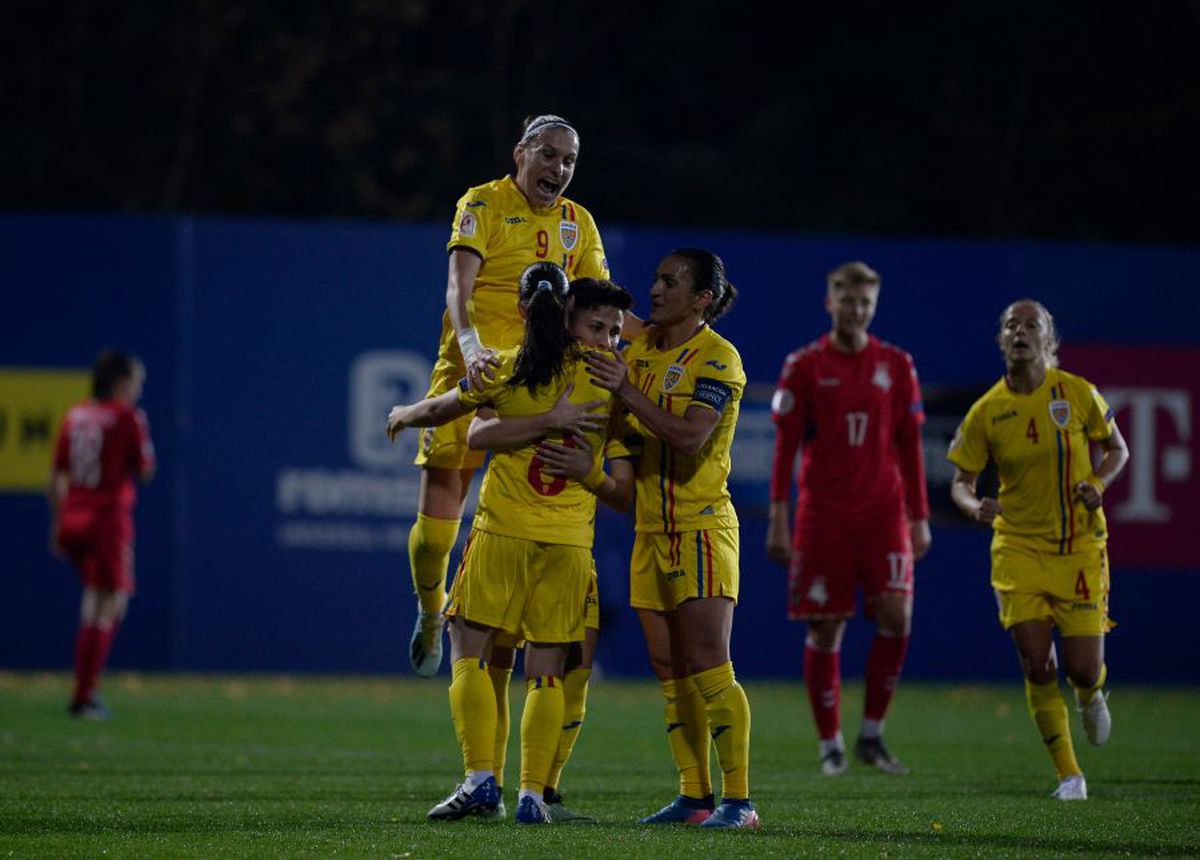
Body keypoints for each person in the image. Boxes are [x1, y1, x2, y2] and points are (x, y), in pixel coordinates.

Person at [388, 264, 634, 824]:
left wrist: (404, 415)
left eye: (614, 332)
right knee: (547, 672)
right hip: (569, 545)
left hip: (502, 533)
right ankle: (531, 795)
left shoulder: (509, 364)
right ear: (574, 318)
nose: (612, 340)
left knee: (469, 650)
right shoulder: (616, 387)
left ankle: (479, 780)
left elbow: (457, 418)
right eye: (606, 328)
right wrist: (588, 468)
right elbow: (623, 494)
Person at [407, 113, 610, 680]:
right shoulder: (483, 204)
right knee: (436, 535)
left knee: (528, 521)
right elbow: (458, 286)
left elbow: (598, 304)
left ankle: (510, 650)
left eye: (569, 160)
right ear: (521, 151)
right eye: (549, 154)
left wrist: (661, 339)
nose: (559, 168)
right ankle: (429, 610)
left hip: (534, 385)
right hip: (471, 372)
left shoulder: (579, 224)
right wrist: (470, 346)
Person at [584, 248, 758, 829]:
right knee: (670, 669)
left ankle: (740, 801)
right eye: (657, 278)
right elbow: (626, 434)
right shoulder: (641, 351)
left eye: (669, 282)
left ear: (702, 298)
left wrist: (627, 391)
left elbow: (689, 438)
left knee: (710, 665)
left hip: (702, 528)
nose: (655, 290)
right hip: (649, 532)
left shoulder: (718, 359)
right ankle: (695, 797)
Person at [948, 299, 1129, 801]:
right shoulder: (987, 410)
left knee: (1082, 668)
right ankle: (1070, 775)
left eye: (1032, 325)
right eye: (1011, 324)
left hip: (1078, 547)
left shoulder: (1076, 393)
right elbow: (960, 482)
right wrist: (972, 505)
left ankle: (1092, 694)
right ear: (1001, 339)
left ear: (1049, 341)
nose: (1020, 331)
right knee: (1036, 663)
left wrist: (1098, 481)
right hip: (1018, 548)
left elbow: (1118, 449)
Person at [765, 261, 931, 776]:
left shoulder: (897, 364)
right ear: (830, 302)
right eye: (847, 300)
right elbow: (786, 446)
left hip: (884, 511)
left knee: (896, 615)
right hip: (824, 515)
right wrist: (778, 516)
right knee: (826, 625)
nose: (856, 310)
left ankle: (873, 737)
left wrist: (919, 516)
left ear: (873, 306)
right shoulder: (805, 365)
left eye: (865, 302)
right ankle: (830, 743)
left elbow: (910, 443)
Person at [48, 349, 156, 720]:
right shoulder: (127, 416)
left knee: (96, 603)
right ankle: (83, 695)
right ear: (121, 382)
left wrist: (59, 521)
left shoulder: (76, 414)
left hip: (73, 515)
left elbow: (58, 475)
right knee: (109, 602)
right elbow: (144, 470)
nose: (138, 390)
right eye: (136, 382)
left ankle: (85, 691)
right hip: (106, 518)